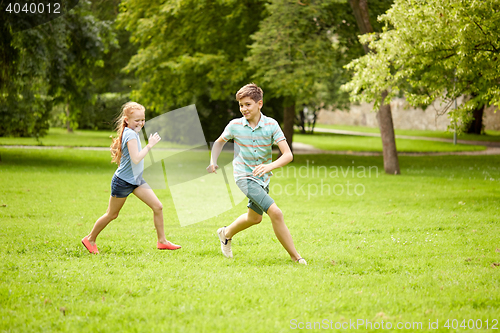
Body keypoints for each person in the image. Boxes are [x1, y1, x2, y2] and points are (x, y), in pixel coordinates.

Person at [207, 83, 306, 264]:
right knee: (276, 212)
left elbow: (288, 155)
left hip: (263, 178)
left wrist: (269, 167)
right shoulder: (235, 125)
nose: (243, 109)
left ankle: (225, 233)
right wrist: (213, 161)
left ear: (259, 104)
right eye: (241, 105)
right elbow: (219, 142)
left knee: (255, 218)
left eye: (247, 104)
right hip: (243, 176)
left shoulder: (271, 125)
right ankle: (296, 257)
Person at [82, 102, 181, 254]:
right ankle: (90, 239)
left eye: (143, 119)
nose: (141, 123)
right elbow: (136, 158)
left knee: (158, 206)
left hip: (136, 180)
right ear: (127, 120)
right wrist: (150, 145)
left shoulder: (132, 132)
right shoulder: (130, 134)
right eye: (137, 120)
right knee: (112, 214)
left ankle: (162, 241)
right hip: (123, 182)